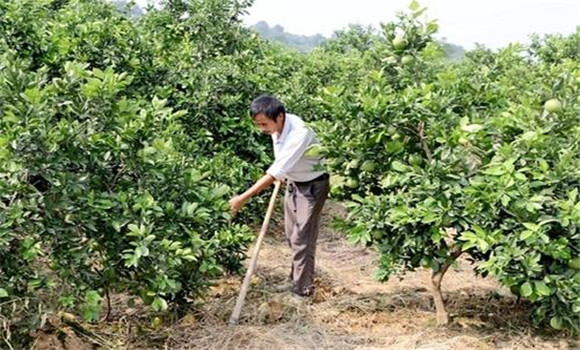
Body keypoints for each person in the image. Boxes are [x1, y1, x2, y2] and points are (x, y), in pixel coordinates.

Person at [229, 95, 329, 298]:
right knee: (292, 235)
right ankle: (297, 280)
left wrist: (242, 198)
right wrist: (282, 174)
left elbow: (276, 170)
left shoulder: (299, 133)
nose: (262, 129)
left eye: (264, 124)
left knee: (303, 238)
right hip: (294, 182)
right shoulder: (276, 128)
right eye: (258, 124)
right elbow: (282, 163)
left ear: (280, 117)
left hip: (312, 186)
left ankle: (303, 290)